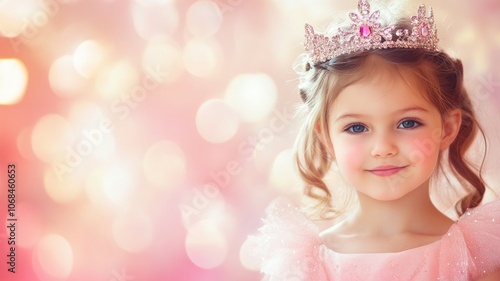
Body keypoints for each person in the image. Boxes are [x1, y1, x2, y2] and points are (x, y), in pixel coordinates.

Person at [248, 0, 500, 280]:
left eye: (408, 123)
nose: (383, 148)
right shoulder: (307, 264)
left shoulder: (475, 257)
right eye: (356, 128)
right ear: (327, 138)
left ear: (448, 128)